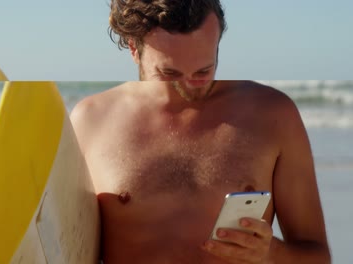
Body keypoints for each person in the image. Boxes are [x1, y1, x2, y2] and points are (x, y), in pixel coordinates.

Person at [71, 0, 331, 263]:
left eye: (204, 70)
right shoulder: (91, 120)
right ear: (133, 48)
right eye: (169, 72)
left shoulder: (273, 115)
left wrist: (272, 253)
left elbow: (318, 256)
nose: (190, 83)